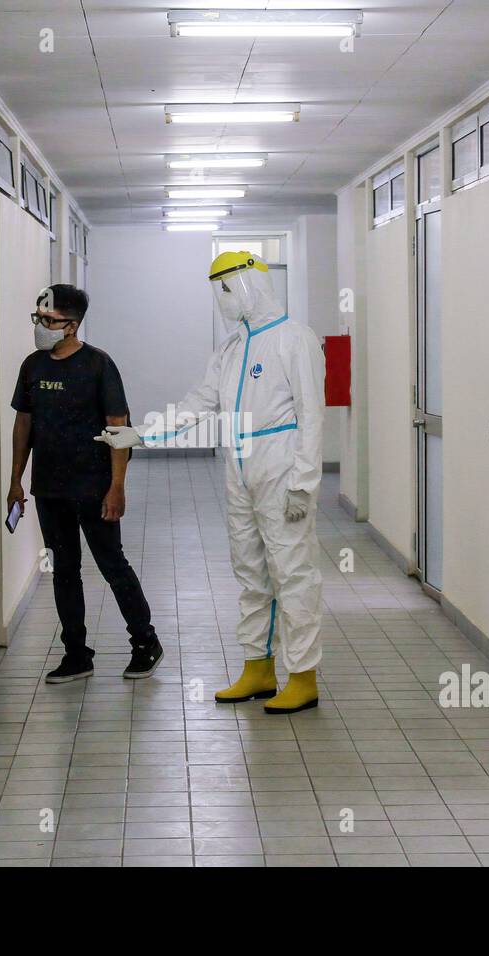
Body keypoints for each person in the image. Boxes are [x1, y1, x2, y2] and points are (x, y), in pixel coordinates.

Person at [95, 252, 324, 714]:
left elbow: (312, 416)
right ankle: (257, 667)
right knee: (249, 570)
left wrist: (304, 481)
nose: (220, 300)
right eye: (215, 289)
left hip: (280, 466)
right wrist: (143, 434)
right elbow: (199, 403)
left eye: (224, 288)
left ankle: (302, 675)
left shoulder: (294, 340)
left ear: (247, 286)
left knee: (292, 571)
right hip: (238, 465)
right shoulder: (232, 349)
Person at [8, 284, 163, 684]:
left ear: (72, 326)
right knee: (64, 570)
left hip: (94, 488)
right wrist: (16, 480)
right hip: (50, 489)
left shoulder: (98, 365)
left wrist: (117, 487)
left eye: (49, 321)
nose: (41, 326)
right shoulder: (33, 366)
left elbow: (119, 430)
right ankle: (76, 653)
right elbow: (23, 422)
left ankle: (145, 642)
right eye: (38, 318)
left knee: (113, 565)